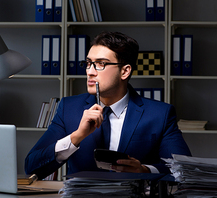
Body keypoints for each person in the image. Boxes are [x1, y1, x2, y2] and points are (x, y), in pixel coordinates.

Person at [25, 31, 191, 179]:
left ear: (125, 71)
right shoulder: (69, 108)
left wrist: (144, 170)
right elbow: (31, 167)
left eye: (101, 64)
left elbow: (184, 171)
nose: (90, 71)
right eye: (88, 63)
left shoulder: (160, 114)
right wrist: (76, 137)